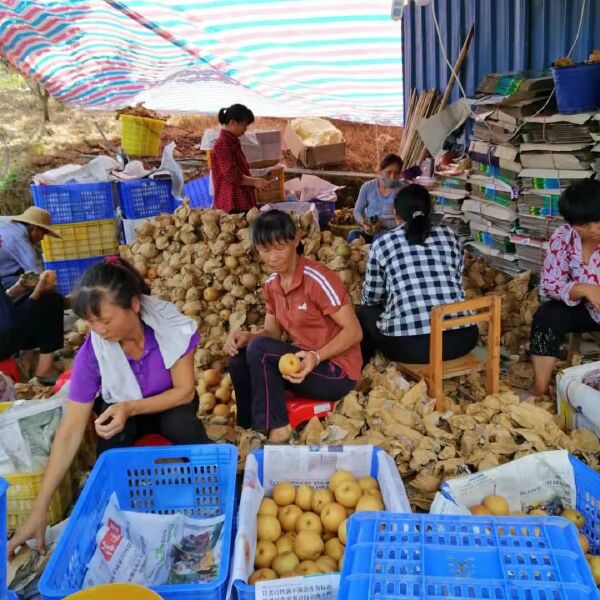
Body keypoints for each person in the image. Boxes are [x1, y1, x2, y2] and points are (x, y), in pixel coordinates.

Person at [8, 257, 208, 556]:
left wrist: (131, 407)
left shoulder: (171, 327)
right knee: (111, 444)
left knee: (181, 425)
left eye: (105, 320)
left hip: (170, 404)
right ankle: (122, 520)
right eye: (90, 321)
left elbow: (183, 392)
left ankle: (210, 491)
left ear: (135, 305)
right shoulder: (93, 351)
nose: (99, 329)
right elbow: (70, 430)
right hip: (122, 408)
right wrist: (40, 509)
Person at [225, 210, 363, 443]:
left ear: (296, 239)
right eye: (265, 250)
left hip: (335, 371)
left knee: (259, 349)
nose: (272, 257)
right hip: (302, 363)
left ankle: (278, 428)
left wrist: (315, 358)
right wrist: (247, 337)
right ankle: (249, 429)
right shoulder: (271, 285)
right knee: (239, 357)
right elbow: (272, 334)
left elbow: (354, 332)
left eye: (279, 248)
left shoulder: (317, 279)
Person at [358, 184, 478, 365]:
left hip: (411, 348)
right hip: (462, 339)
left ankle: (361, 367)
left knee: (365, 311)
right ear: (429, 212)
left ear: (397, 215)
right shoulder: (450, 235)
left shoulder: (383, 243)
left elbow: (371, 298)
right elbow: (456, 279)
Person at [528, 179, 600, 400]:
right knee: (546, 317)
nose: (593, 230)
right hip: (586, 309)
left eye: (598, 221)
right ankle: (539, 390)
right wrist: (581, 288)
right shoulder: (563, 237)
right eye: (583, 225)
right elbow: (550, 284)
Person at [0, 207, 64, 383]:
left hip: (6, 285)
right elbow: (38, 276)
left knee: (36, 300)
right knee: (53, 301)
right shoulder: (18, 237)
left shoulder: (7, 227)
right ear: (34, 229)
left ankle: (27, 356)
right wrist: (45, 288)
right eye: (42, 233)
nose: (42, 238)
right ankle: (44, 367)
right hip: (4, 334)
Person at [211, 103, 268, 213]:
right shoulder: (223, 144)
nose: (245, 129)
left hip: (240, 200)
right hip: (232, 203)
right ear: (233, 122)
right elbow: (231, 175)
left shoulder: (232, 141)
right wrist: (254, 182)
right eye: (244, 125)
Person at [349, 153, 405, 243]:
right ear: (380, 170)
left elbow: (405, 219)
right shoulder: (368, 187)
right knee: (353, 235)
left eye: (397, 173)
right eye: (389, 172)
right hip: (370, 230)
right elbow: (357, 211)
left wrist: (383, 225)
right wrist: (363, 223)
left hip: (391, 234)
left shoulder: (403, 190)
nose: (392, 177)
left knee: (378, 238)